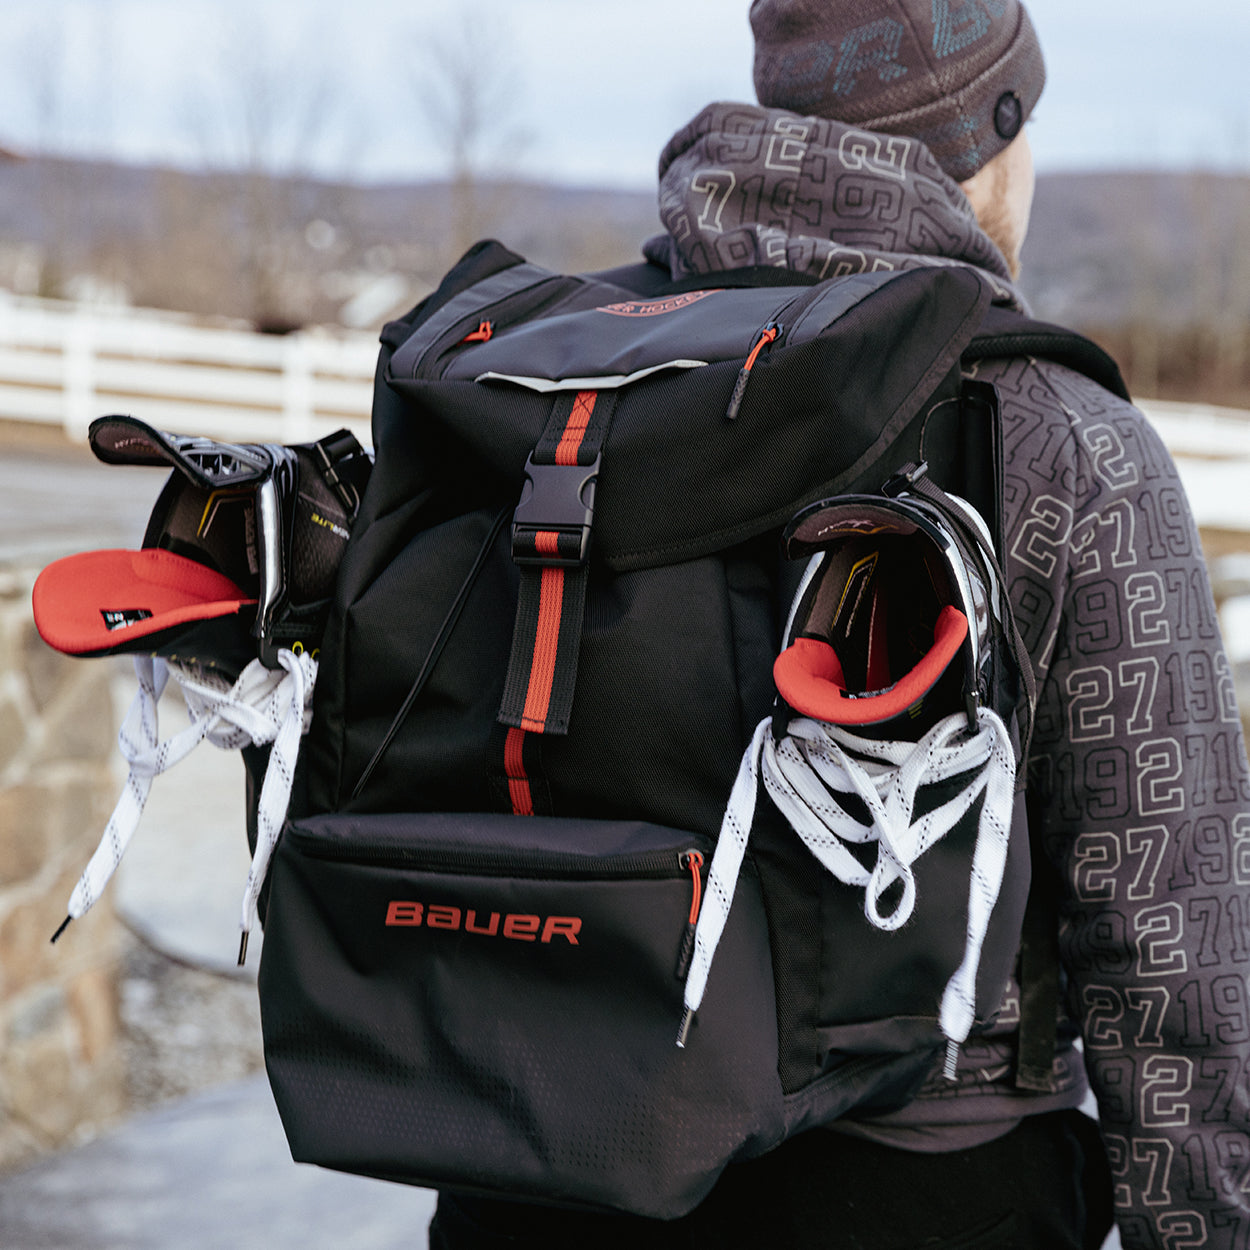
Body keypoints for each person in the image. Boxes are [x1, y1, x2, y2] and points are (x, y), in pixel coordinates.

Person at [430, 2, 1250, 1246]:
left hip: (548, 1158)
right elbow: (1169, 936)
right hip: (924, 1181)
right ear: (988, 137)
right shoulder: (1063, 436)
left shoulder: (565, 377)